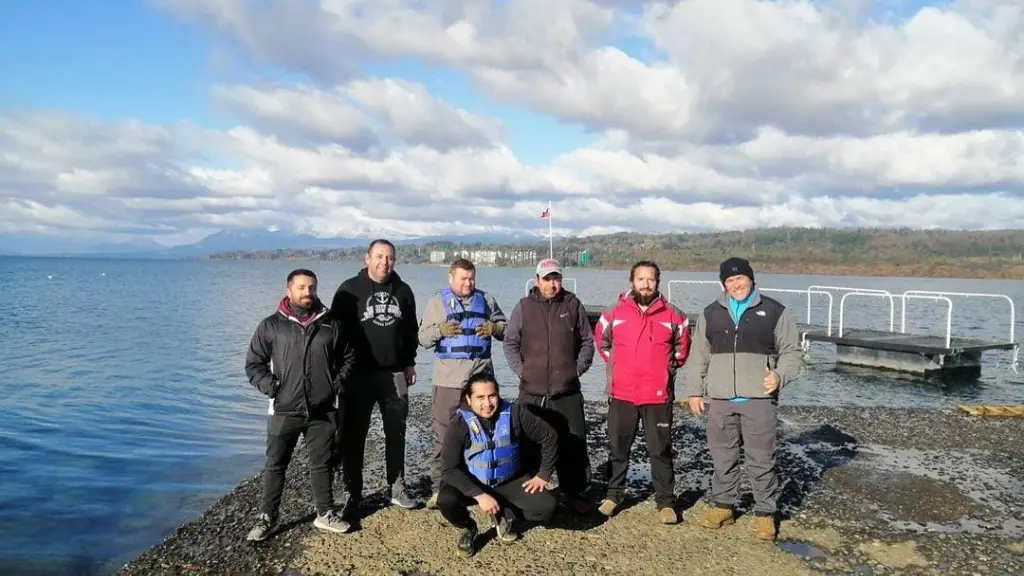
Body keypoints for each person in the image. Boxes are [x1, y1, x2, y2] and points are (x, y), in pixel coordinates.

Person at [682, 257, 803, 541]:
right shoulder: (711, 313)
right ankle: (724, 506)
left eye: (741, 279)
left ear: (751, 279)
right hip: (721, 399)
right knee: (722, 457)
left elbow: (792, 352)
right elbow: (698, 355)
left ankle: (765, 514)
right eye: (730, 280)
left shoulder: (774, 311)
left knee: (761, 459)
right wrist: (694, 391)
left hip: (759, 398)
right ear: (723, 283)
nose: (736, 284)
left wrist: (779, 375)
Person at [243, 269, 355, 541]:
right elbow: (253, 364)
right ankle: (267, 517)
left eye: (312, 287)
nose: (308, 293)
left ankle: (325, 513)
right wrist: (272, 388)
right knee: (275, 465)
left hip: (322, 410)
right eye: (302, 287)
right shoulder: (271, 325)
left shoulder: (331, 323)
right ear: (289, 289)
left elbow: (349, 358)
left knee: (321, 463)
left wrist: (334, 387)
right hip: (284, 409)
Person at [593, 261, 691, 524]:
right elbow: (602, 344)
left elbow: (681, 353)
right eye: (641, 279)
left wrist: (665, 371)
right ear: (632, 281)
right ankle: (613, 495)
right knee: (618, 448)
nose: (646, 284)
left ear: (658, 282)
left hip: (657, 396)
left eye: (651, 279)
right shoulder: (613, 313)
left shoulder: (675, 316)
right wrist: (619, 368)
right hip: (622, 393)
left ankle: (666, 502)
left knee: (660, 450)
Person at [331, 239, 419, 519]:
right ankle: (353, 494)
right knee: (354, 436)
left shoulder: (404, 291)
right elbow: (334, 335)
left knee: (397, 433)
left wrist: (409, 363)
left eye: (390, 257)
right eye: (379, 256)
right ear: (366, 258)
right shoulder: (349, 291)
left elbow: (410, 332)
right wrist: (336, 372)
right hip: (356, 376)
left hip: (394, 374)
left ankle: (397, 487)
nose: (385, 262)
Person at [502, 258, 595, 514]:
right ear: (537, 280)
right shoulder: (524, 307)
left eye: (556, 278)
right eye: (547, 279)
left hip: (567, 391)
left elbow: (588, 341)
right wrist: (523, 371)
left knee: (574, 442)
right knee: (530, 443)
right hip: (531, 391)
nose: (552, 284)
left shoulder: (572, 304)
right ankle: (529, 493)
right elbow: (509, 343)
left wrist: (577, 369)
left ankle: (574, 492)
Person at [438, 372, 559, 558]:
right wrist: (480, 495)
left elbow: (549, 436)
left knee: (547, 508)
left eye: (492, 396)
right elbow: (448, 470)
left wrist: (543, 474)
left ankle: (506, 515)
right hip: (473, 480)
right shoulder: (459, 423)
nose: (487, 403)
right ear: (469, 399)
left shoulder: (516, 413)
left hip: (508, 478)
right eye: (480, 397)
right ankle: (468, 528)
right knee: (446, 500)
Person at [418, 258, 507, 509]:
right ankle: (440, 487)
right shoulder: (436, 303)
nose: (468, 283)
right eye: (463, 278)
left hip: (480, 381)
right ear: (450, 278)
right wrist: (441, 331)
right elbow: (422, 338)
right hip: (448, 381)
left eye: (472, 278)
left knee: (482, 432)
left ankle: (481, 483)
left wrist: (494, 327)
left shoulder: (487, 300)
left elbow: (507, 329)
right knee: (443, 435)